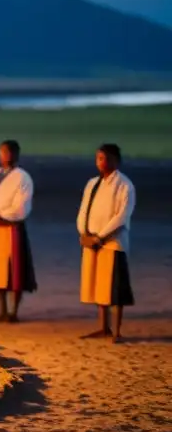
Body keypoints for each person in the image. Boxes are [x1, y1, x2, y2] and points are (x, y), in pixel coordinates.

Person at [76, 144, 136, 343]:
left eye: (106, 158)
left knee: (115, 287)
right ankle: (103, 327)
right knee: (98, 285)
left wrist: (100, 237)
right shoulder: (92, 183)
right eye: (99, 158)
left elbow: (121, 216)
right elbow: (84, 210)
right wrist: (84, 233)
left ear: (116, 160)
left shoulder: (124, 185)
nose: (101, 162)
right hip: (92, 241)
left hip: (112, 242)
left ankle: (117, 330)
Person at [0, 140, 37, 323]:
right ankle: (1, 309)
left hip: (11, 228)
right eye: (3, 152)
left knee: (14, 270)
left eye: (10, 152)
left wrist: (1, 216)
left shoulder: (22, 177)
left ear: (17, 154)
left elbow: (22, 205)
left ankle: (13, 312)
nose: (6, 156)